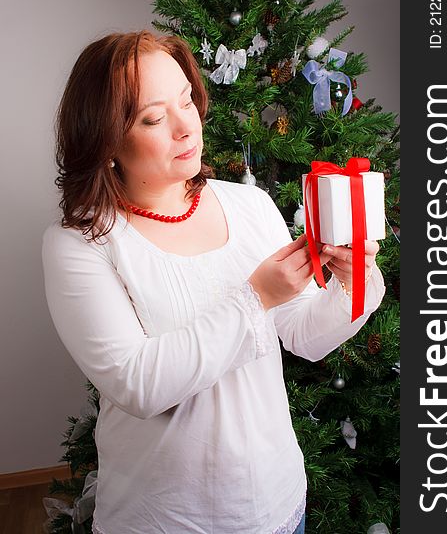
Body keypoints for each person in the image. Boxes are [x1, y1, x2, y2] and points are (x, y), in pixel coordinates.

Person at [41, 30, 385, 534]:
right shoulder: (79, 243)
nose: (187, 127)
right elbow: (139, 385)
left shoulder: (248, 205)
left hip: (276, 505)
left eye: (187, 101)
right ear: (105, 139)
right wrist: (257, 297)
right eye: (154, 118)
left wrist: (352, 283)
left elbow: (305, 337)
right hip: (162, 519)